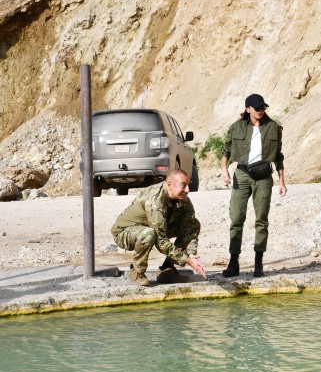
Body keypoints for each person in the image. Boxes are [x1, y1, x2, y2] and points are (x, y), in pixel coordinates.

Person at [221, 93, 287, 278]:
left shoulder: (273, 128)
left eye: (263, 108)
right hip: (241, 174)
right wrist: (224, 170)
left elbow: (279, 156)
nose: (260, 111)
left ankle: (258, 263)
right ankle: (233, 263)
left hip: (264, 177)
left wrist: (282, 181)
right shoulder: (236, 127)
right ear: (247, 109)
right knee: (236, 219)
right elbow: (226, 149)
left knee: (262, 220)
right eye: (257, 108)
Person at [111, 169, 207, 286]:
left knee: (194, 224)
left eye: (188, 185)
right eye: (183, 186)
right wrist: (185, 259)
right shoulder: (155, 200)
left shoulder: (184, 200)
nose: (187, 190)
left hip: (154, 229)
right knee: (148, 234)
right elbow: (161, 242)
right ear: (170, 185)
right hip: (125, 232)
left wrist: (191, 254)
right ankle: (136, 272)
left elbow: (189, 227)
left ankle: (167, 270)